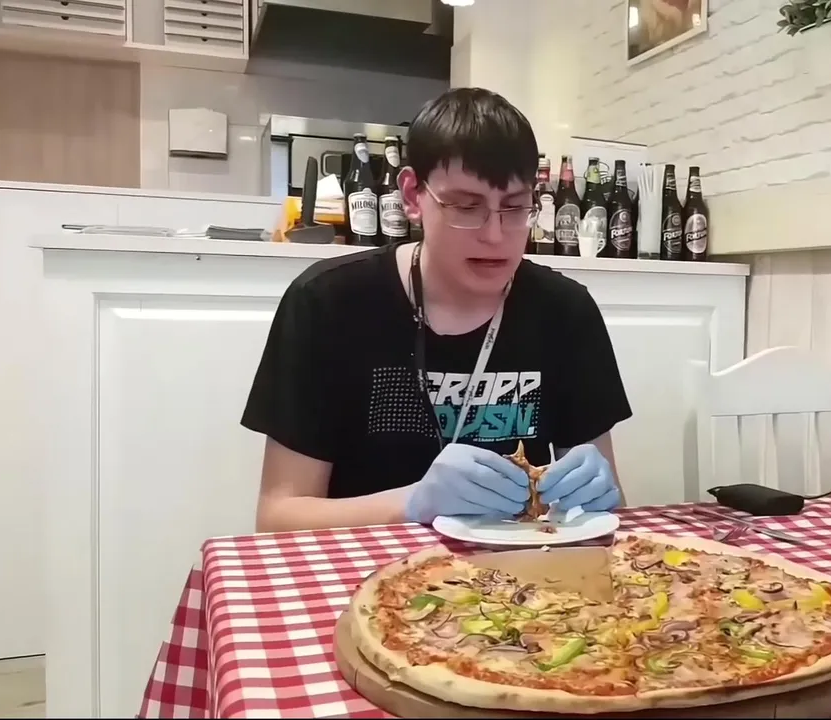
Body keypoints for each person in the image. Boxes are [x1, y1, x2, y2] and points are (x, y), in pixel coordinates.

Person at [241, 88, 633, 533]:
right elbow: (277, 519)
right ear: (412, 195)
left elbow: (607, 508)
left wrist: (596, 496)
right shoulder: (326, 303)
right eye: (466, 207)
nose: (494, 235)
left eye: (514, 207)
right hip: (371, 566)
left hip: (523, 567)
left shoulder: (566, 312)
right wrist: (412, 503)